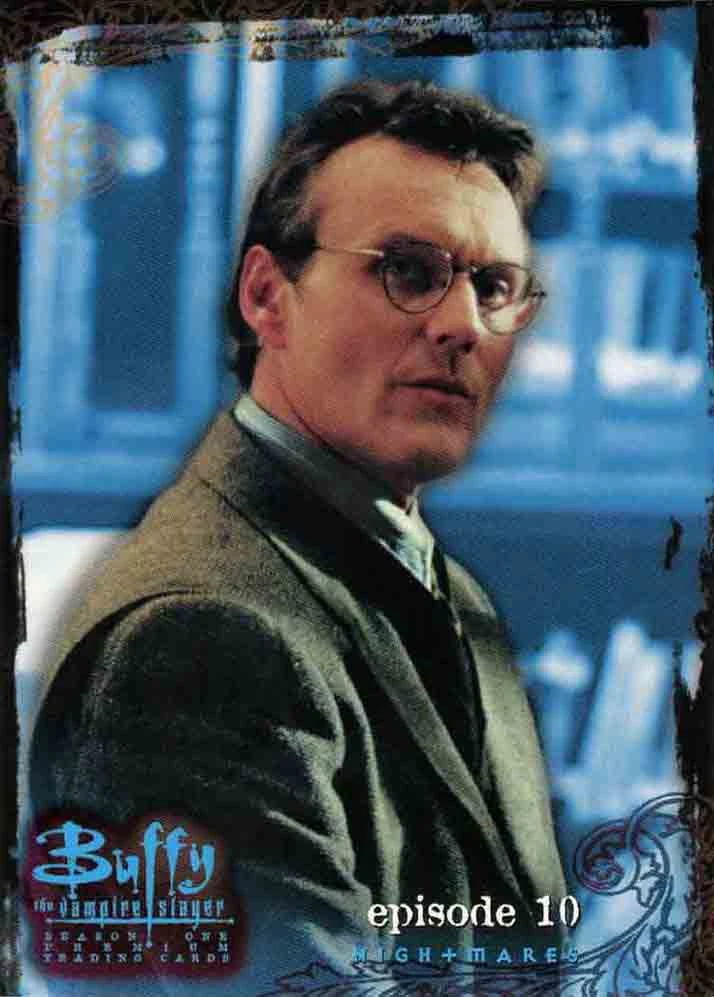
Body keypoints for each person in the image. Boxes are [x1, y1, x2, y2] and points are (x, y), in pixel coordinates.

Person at [30, 79, 567, 992]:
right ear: (266, 296)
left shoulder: (447, 589)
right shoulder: (202, 637)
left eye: (494, 286)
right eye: (408, 271)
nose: (463, 326)